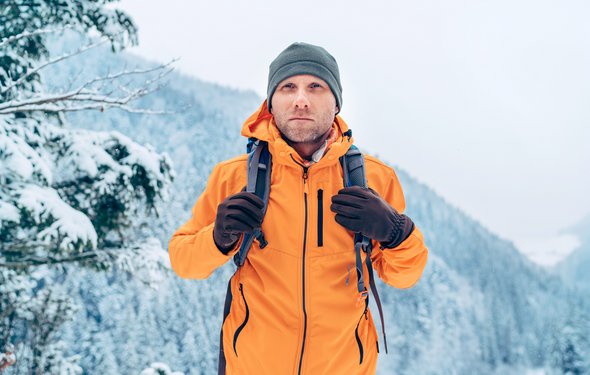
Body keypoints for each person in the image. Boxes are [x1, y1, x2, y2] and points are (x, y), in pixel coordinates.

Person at [168, 42, 429, 375]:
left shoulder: (373, 178)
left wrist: (396, 232)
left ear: (336, 103)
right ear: (270, 103)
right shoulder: (235, 177)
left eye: (315, 87)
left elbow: (404, 276)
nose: (301, 99)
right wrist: (217, 237)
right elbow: (183, 261)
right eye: (287, 87)